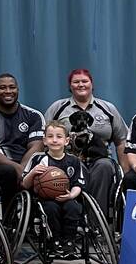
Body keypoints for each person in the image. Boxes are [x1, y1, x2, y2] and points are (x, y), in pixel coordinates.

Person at [44, 68, 128, 216]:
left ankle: (95, 219)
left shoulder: (107, 108)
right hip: (67, 160)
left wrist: (126, 171)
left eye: (85, 81)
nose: (80, 85)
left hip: (98, 160)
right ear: (70, 86)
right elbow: (45, 137)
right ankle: (71, 219)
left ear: (91, 84)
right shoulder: (58, 108)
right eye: (76, 82)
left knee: (105, 166)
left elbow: (121, 140)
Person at [0, 73, 46, 227]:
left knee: (48, 173)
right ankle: (9, 224)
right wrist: (18, 169)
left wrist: (25, 170)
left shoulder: (34, 115)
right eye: (2, 88)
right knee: (8, 172)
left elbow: (37, 146)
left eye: (12, 87)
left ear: (18, 90)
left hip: (25, 165)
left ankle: (34, 225)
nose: (8, 91)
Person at [22, 121, 85, 258]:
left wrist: (71, 196)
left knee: (73, 207)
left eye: (59, 136)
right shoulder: (38, 158)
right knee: (51, 208)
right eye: (50, 136)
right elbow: (24, 184)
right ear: (44, 141)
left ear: (67, 141)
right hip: (44, 199)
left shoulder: (73, 161)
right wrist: (33, 173)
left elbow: (78, 185)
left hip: (67, 197)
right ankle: (53, 241)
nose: (54, 140)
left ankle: (69, 242)